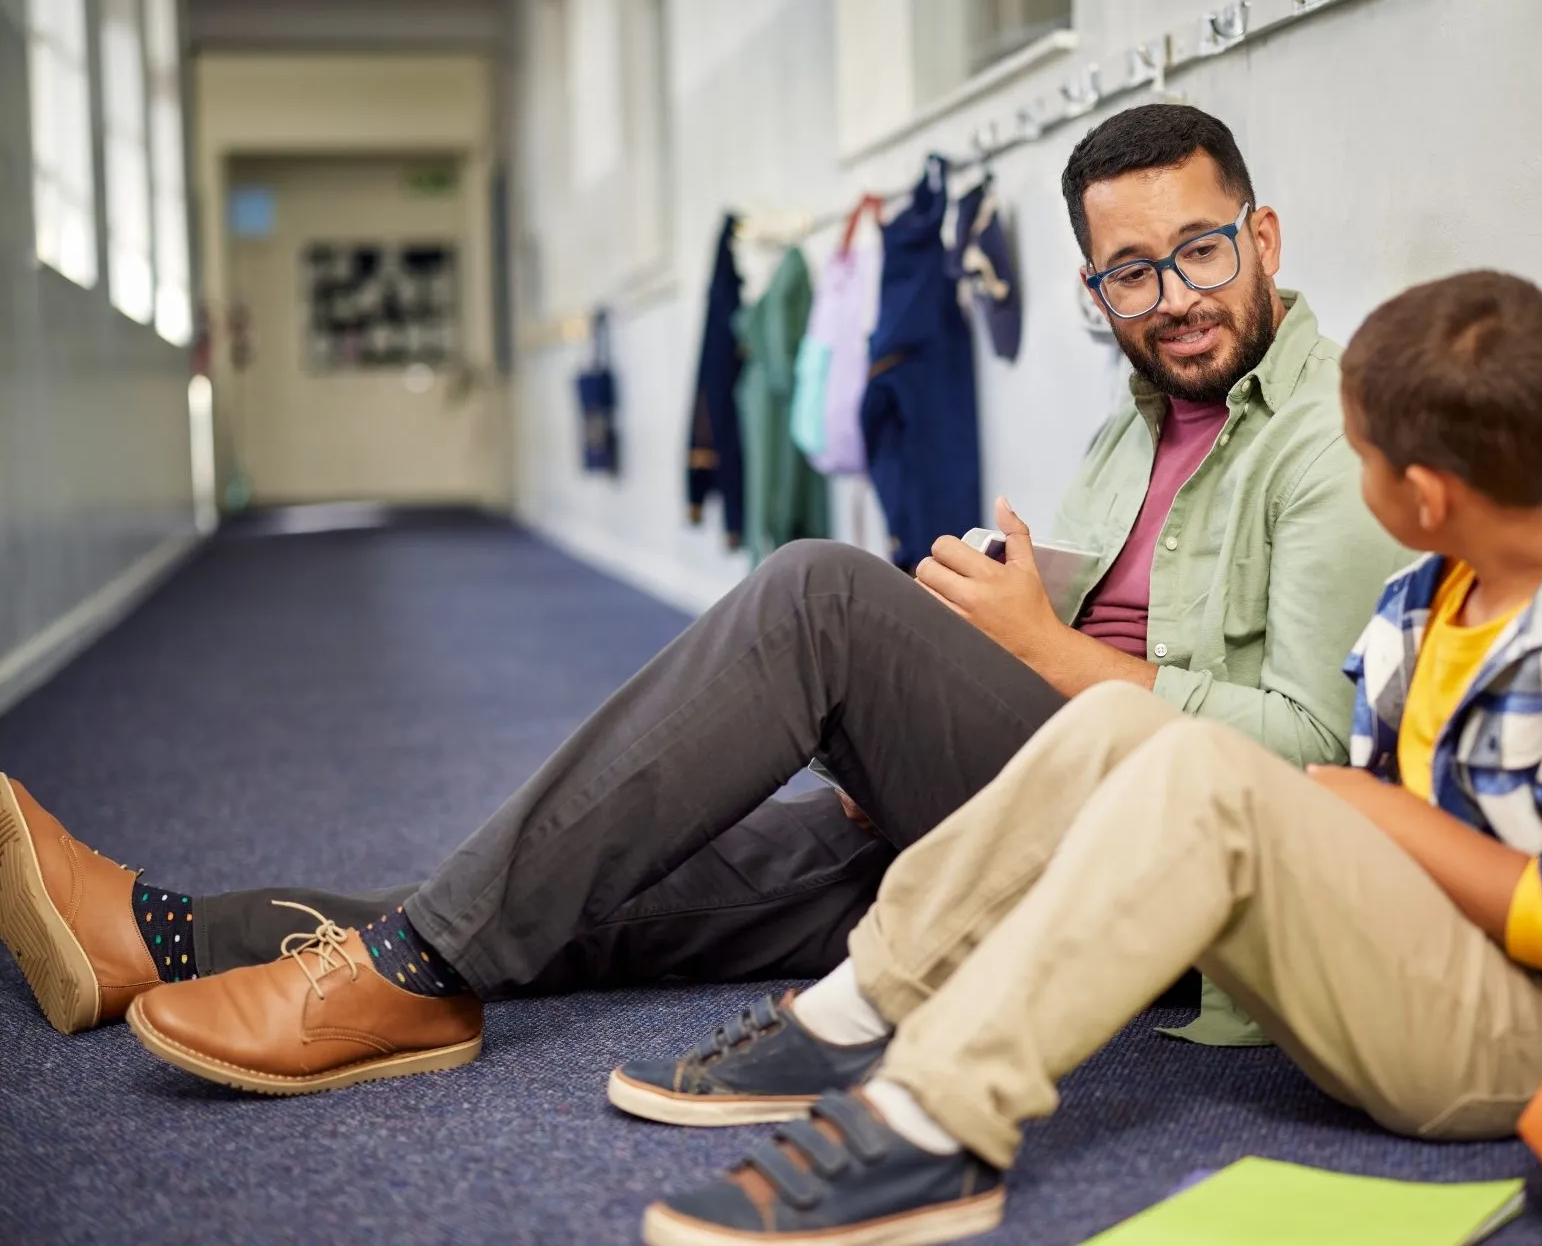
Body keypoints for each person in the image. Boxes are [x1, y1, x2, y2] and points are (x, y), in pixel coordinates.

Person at [0, 104, 1408, 1095]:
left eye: (1201, 251)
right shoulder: (1143, 411)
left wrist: (1026, 650)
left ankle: (412, 970)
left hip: (1171, 903)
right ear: (1095, 284)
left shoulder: (1328, 444)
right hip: (1015, 813)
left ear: (1265, 234)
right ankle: (168, 939)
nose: (1171, 297)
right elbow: (1106, 625)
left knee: (815, 598)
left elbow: (1307, 770)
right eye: (1129, 272)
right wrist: (953, 665)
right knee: (600, 883)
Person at [627, 270, 1542, 1246]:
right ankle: (856, 1011)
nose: (1353, 476)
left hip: (1521, 1048)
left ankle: (936, 1127)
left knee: (1211, 774)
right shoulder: (1430, 593)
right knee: (1121, 727)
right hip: (1408, 960)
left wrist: (1367, 813)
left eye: (1360, 457)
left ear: (1423, 497)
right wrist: (1352, 814)